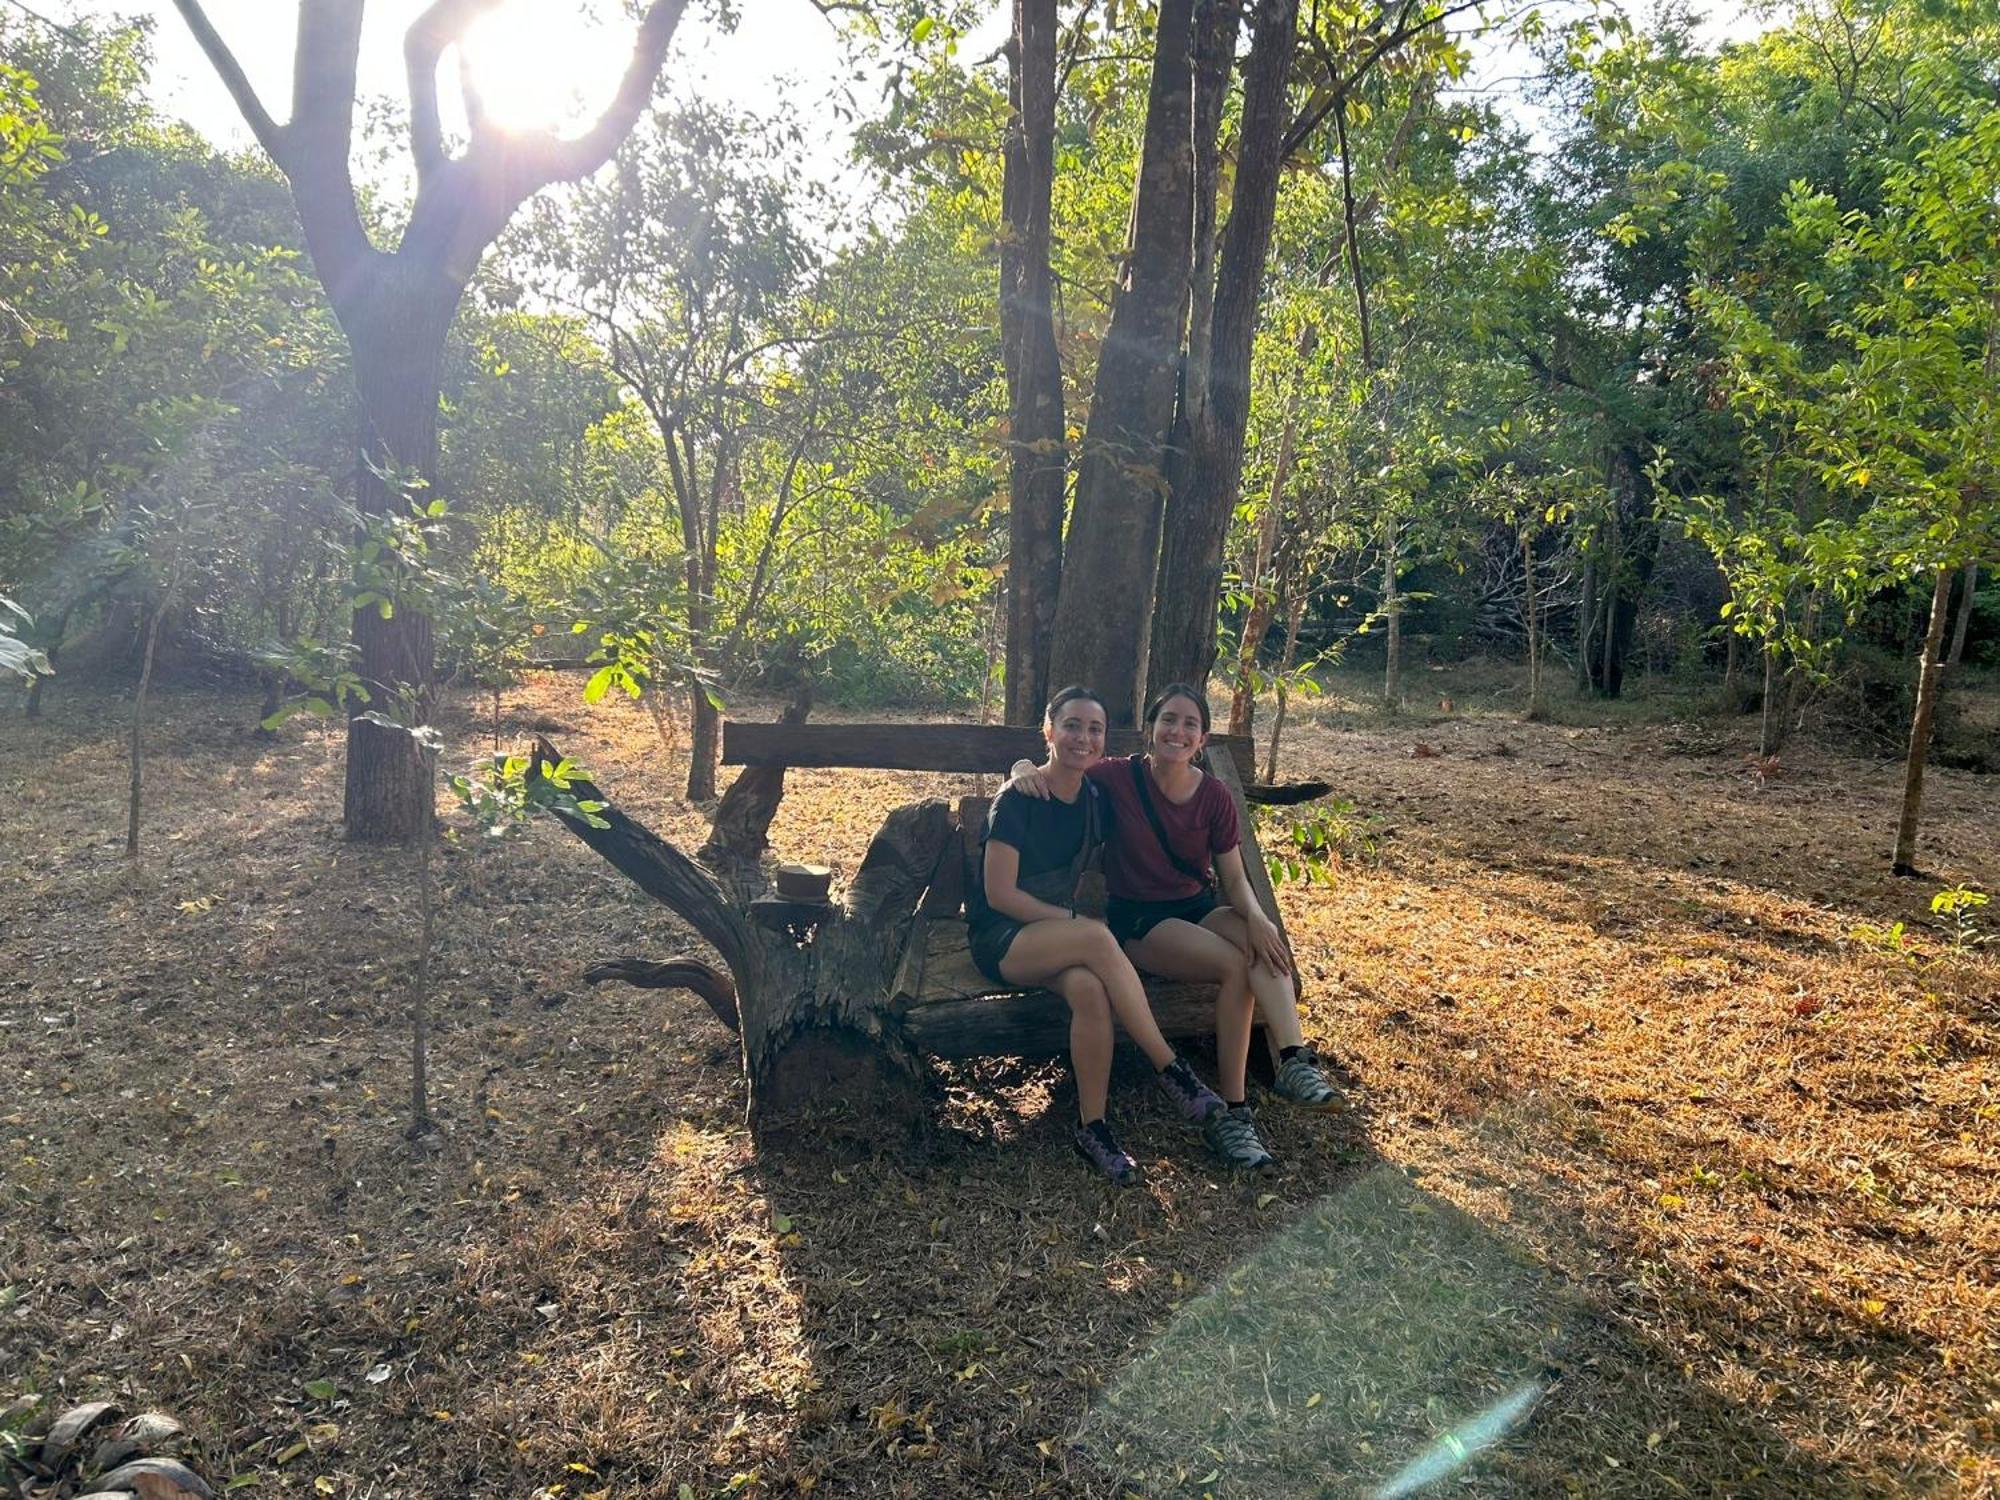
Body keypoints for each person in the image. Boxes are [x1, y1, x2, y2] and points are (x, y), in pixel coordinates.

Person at [1009, 682, 1345, 1171]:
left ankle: (1294, 1059)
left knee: (1260, 943)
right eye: (1168, 720)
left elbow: (1233, 876)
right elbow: (1056, 767)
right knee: (1236, 965)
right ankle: (1233, 1112)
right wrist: (1019, 769)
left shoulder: (1213, 796)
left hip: (1198, 907)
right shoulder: (1116, 778)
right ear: (1149, 729)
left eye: (1190, 724)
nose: (1178, 731)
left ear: (1202, 739)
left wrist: (1255, 917)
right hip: (1141, 920)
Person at [968, 684, 1233, 1185]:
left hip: (1054, 936)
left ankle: (1094, 1128)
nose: (1082, 738)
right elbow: (999, 895)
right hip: (1003, 938)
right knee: (1094, 937)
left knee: (1090, 990)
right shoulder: (1017, 801)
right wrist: (1020, 770)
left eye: (1094, 729)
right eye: (1070, 725)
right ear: (1048, 731)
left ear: (1105, 741)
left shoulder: (1095, 798)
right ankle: (1173, 1071)